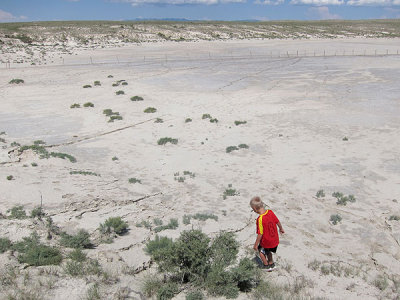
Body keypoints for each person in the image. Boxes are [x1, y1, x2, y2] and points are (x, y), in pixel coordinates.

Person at [250, 196, 284, 271]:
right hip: (274, 240)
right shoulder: (270, 212)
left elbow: (260, 233)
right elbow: (277, 221)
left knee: (261, 251)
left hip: (266, 241)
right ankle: (271, 264)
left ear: (255, 209)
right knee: (268, 251)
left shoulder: (260, 219)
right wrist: (281, 228)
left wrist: (256, 244)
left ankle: (266, 265)